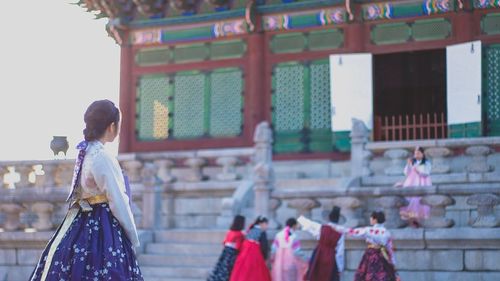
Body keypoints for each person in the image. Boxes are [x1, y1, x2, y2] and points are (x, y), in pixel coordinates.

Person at [30, 100, 143, 281]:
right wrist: (131, 234)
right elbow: (117, 200)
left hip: (82, 222)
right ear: (112, 126)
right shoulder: (102, 156)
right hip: (104, 226)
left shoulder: (86, 152)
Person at [298, 206, 345, 281]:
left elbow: (309, 224)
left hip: (319, 253)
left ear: (329, 218)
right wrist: (340, 267)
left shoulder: (321, 228)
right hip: (331, 256)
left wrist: (300, 218)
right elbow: (340, 252)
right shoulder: (340, 233)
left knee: (316, 275)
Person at [349, 211, 398, 281]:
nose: (370, 219)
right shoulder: (387, 232)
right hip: (383, 256)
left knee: (369, 275)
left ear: (375, 220)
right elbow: (390, 249)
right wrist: (393, 262)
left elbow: (354, 232)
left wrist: (343, 230)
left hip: (371, 255)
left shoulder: (369, 230)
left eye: (371, 218)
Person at [397, 146, 432, 227]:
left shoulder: (426, 163)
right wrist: (409, 164)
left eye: (418, 153)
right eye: (415, 153)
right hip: (411, 183)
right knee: (410, 199)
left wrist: (417, 169)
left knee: (420, 200)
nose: (416, 155)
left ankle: (420, 220)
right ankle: (411, 220)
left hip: (422, 183)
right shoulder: (413, 162)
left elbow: (426, 173)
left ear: (422, 154)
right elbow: (406, 172)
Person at [229, 216, 271, 281]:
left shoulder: (250, 230)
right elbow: (264, 246)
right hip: (255, 254)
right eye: (266, 224)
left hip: (244, 253)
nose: (267, 226)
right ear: (261, 223)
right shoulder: (262, 232)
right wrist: (265, 257)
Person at [208, 215, 246, 281]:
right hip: (232, 253)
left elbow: (224, 242)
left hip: (225, 252)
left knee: (221, 269)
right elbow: (238, 247)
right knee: (229, 271)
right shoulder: (240, 234)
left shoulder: (230, 232)